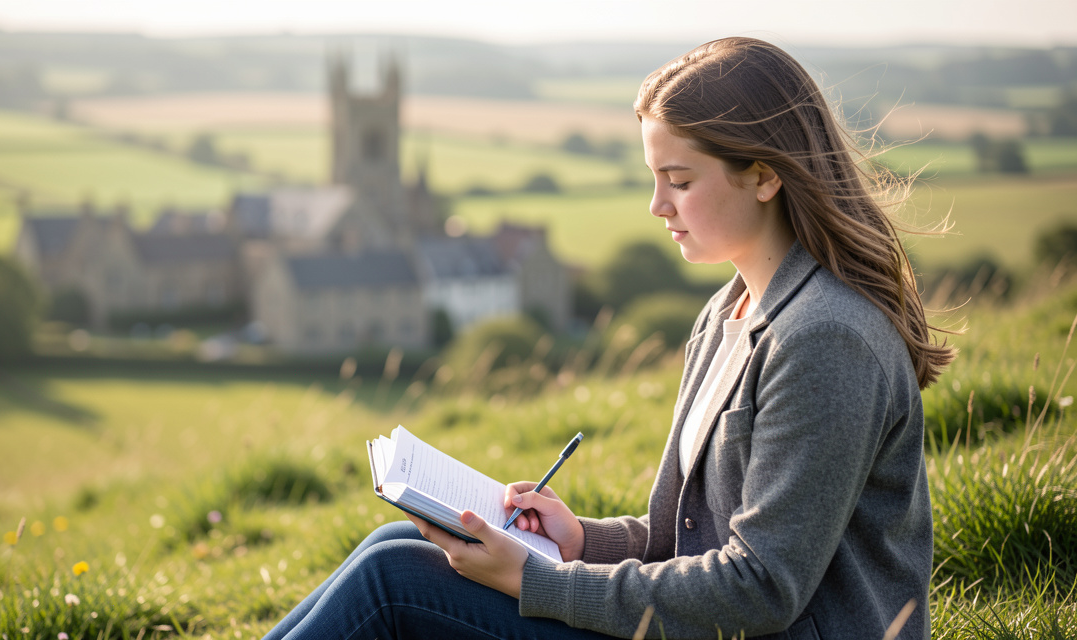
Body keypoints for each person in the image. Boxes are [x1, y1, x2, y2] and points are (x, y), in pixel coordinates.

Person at [263, 36, 953, 640]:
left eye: (679, 181)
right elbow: (684, 539)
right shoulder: (729, 311)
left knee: (395, 580)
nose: (657, 206)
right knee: (399, 543)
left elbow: (762, 588)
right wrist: (580, 540)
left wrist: (536, 582)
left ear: (766, 174)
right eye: (655, 179)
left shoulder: (826, 339)